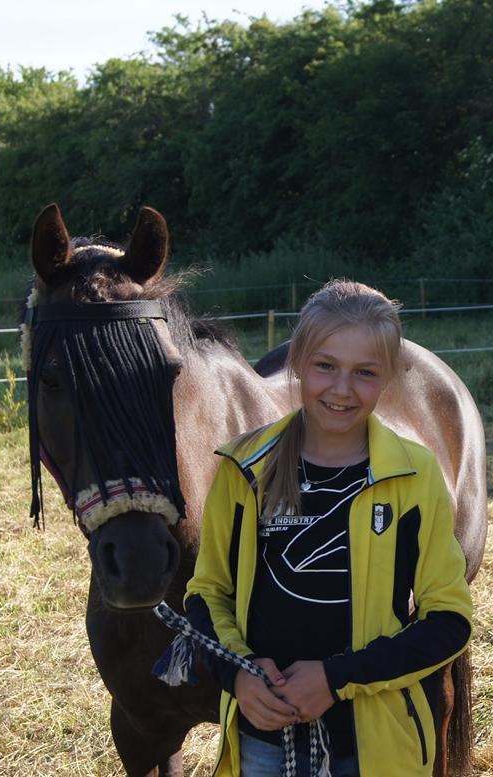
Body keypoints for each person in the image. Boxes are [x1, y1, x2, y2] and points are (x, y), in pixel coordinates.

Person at [184, 279, 472, 777]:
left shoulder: (414, 475)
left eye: (364, 373)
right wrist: (238, 673)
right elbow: (205, 595)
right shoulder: (242, 470)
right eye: (325, 366)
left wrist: (335, 679)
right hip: (264, 742)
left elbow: (449, 621)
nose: (341, 389)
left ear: (388, 379)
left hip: (377, 748)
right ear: (297, 362)